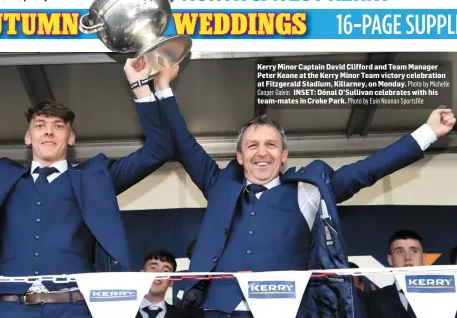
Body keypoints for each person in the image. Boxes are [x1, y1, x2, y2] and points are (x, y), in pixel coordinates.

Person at [151, 62, 456, 317]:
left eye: (271, 145)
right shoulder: (219, 185)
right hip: (217, 312)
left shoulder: (309, 191)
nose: (262, 153)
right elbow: (184, 143)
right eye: (252, 146)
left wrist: (428, 132)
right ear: (240, 157)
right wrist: (163, 85)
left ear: (284, 155)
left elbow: (367, 170)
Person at [0, 58, 174, 318]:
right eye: (40, 126)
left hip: (75, 308)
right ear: (28, 137)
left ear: (71, 136)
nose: (49, 131)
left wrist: (140, 86)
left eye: (58, 126)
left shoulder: (96, 178)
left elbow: (158, 150)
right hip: (10, 309)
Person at [365, 230, 426, 318]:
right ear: (390, 259)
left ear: (423, 258)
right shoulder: (374, 300)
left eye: (414, 251)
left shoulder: (442, 298)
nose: (407, 258)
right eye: (399, 252)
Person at [137, 250, 188, 318]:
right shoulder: (120, 311)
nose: (159, 273)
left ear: (171, 282)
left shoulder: (184, 316)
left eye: (166, 271)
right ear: (141, 275)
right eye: (153, 267)